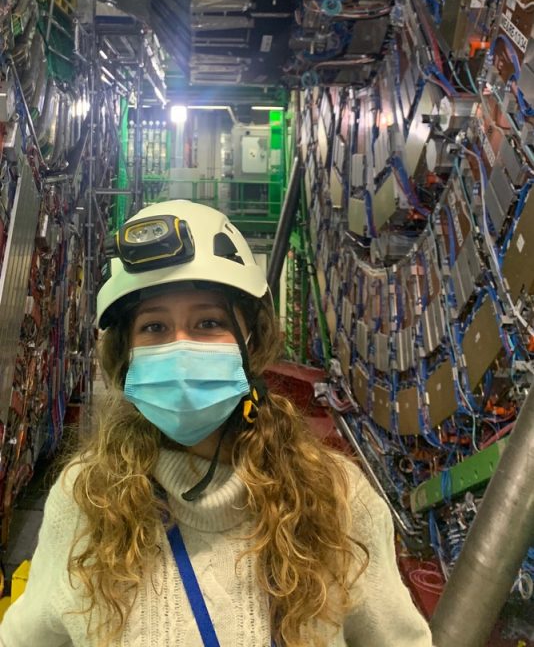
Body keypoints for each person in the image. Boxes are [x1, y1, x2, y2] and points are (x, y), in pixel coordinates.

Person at [0, 200, 434, 647]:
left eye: (208, 322)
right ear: (125, 355)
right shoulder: (84, 499)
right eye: (154, 327)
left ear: (252, 341)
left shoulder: (338, 498)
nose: (180, 347)